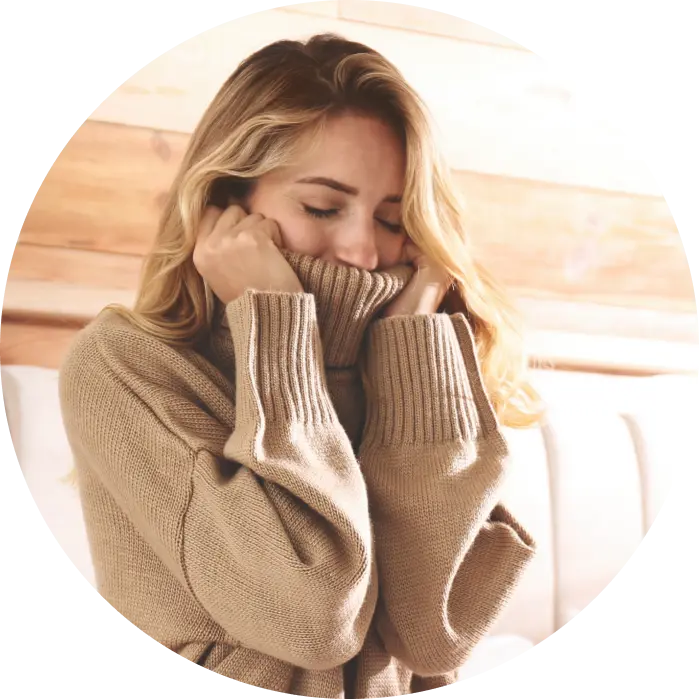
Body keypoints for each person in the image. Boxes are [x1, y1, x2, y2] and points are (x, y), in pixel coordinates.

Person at [59, 33, 544, 699]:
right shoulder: (125, 368)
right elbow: (313, 617)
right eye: (322, 207)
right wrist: (278, 325)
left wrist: (416, 342)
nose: (363, 252)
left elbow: (434, 636)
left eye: (393, 219)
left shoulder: (409, 363)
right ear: (228, 203)